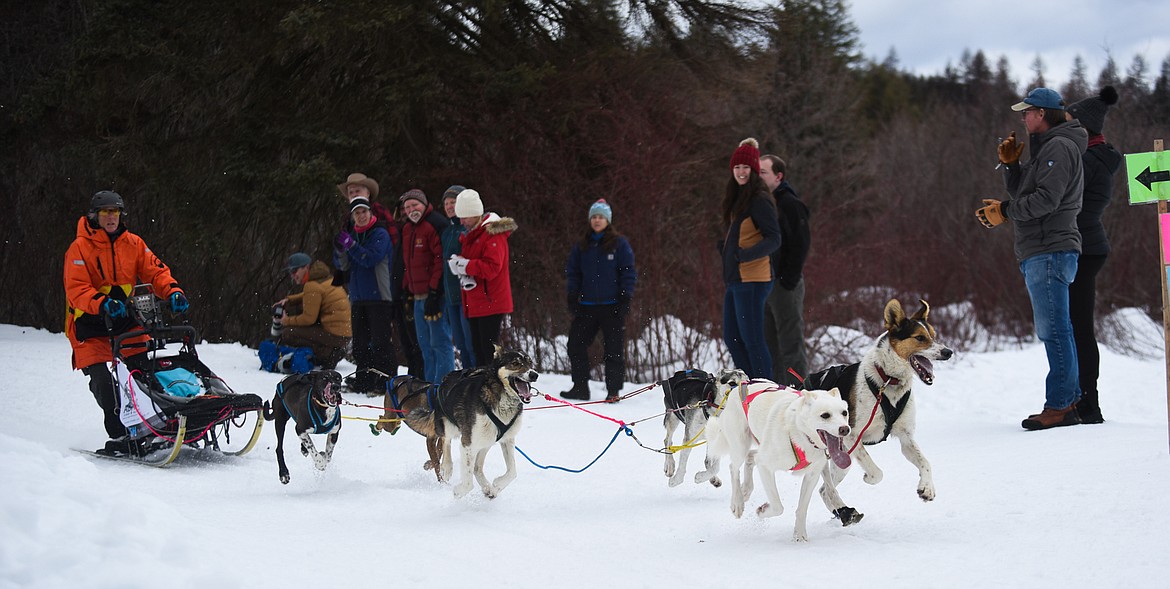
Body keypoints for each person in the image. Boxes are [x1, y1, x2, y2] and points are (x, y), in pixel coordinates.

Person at [976, 87, 1088, 430]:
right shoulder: (1049, 148)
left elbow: (1046, 200)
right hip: (1042, 250)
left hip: (1050, 250)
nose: (1023, 118)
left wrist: (1007, 211)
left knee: (1054, 331)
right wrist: (1011, 168)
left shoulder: (1059, 146)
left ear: (1042, 113)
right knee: (1056, 330)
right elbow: (1026, 192)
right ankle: (1065, 401)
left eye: (1027, 112)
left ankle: (1061, 406)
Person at [64, 190, 188, 452]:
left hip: (123, 323)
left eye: (116, 212)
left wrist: (173, 291)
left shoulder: (133, 243)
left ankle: (154, 424)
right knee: (105, 385)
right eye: (106, 212)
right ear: (95, 216)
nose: (111, 217)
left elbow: (156, 271)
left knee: (141, 376)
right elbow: (76, 288)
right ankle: (120, 433)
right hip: (89, 326)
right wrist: (101, 302)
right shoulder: (79, 248)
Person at [1066, 86, 1122, 424]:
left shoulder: (1088, 161)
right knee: (1077, 327)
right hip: (1089, 245)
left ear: (1084, 128)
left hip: (1082, 248)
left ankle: (1088, 402)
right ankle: (1084, 399)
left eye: (1071, 122)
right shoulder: (1097, 157)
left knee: (1079, 329)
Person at [560, 199, 637, 403]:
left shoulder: (619, 244)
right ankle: (580, 387)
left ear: (608, 220)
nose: (597, 220)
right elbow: (573, 272)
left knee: (613, 349)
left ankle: (613, 391)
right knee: (575, 345)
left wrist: (625, 296)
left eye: (601, 217)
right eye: (594, 217)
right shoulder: (582, 245)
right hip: (586, 306)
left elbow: (628, 272)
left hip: (612, 305)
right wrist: (572, 294)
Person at [721, 138, 781, 380]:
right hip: (736, 279)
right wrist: (724, 249)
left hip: (753, 279)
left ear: (754, 170)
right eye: (737, 167)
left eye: (745, 167)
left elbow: (774, 238)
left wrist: (744, 255)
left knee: (752, 340)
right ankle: (748, 386)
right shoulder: (739, 197)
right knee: (732, 338)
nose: (741, 172)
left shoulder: (759, 198)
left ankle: (764, 390)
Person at [447, 189, 517, 367]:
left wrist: (465, 265)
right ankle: (483, 388)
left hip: (491, 302)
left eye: (465, 217)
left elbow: (492, 267)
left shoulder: (493, 234)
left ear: (476, 214)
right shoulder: (472, 235)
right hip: (476, 301)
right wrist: (461, 264)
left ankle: (493, 388)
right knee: (478, 350)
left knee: (488, 352)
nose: (461, 221)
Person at [334, 196, 395, 394]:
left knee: (380, 342)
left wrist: (351, 246)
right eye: (356, 213)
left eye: (363, 212)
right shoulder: (354, 235)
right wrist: (340, 250)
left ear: (370, 213)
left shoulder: (380, 234)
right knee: (360, 344)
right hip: (359, 297)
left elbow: (370, 258)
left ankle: (385, 382)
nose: (360, 216)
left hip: (379, 297)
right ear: (352, 217)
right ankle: (364, 380)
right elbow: (343, 266)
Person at [758, 154, 810, 386]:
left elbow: (801, 244)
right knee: (769, 346)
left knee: (791, 344)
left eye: (763, 172)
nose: (757, 177)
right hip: (764, 283)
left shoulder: (789, 203)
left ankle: (800, 393)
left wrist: (787, 279)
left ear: (778, 176)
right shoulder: (762, 202)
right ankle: (776, 393)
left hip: (784, 285)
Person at [399, 188, 455, 383]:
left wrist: (434, 291)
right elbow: (408, 262)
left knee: (440, 343)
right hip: (417, 296)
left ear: (424, 204)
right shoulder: (407, 229)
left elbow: (440, 260)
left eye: (415, 205)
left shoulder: (435, 224)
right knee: (424, 345)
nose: (411, 209)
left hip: (435, 296)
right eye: (407, 207)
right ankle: (430, 387)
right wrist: (406, 290)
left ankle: (444, 385)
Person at [277, 252, 352, 370]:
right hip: (344, 335)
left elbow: (308, 318)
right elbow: (311, 295)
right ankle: (331, 351)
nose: (293, 275)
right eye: (291, 272)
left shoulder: (311, 285)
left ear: (306, 268)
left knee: (288, 333)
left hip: (335, 336)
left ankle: (327, 354)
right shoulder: (325, 279)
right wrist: (290, 300)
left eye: (295, 270)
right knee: (302, 319)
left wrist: (287, 321)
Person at [440, 185, 476, 368]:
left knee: (471, 343)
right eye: (446, 203)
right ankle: (467, 378)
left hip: (467, 294)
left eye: (453, 202)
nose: (449, 206)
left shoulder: (467, 230)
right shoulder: (447, 232)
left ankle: (476, 378)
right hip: (451, 295)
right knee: (461, 343)